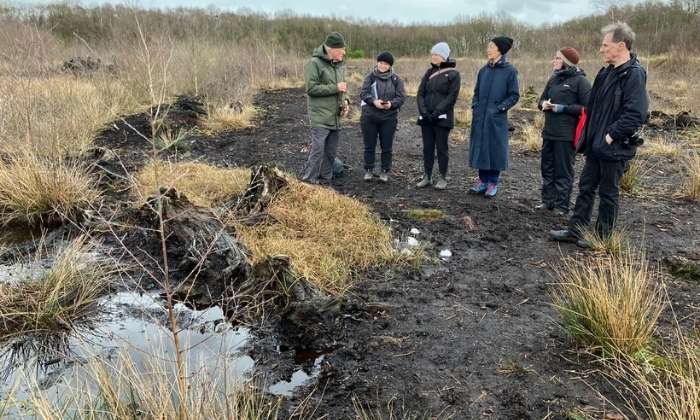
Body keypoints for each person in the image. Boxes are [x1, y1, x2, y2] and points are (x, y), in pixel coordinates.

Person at [550, 22, 648, 247]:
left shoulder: (633, 74)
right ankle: (576, 230)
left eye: (605, 45)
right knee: (586, 186)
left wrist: (610, 136)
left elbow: (636, 114)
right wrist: (589, 138)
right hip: (595, 144)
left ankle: (602, 238)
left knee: (608, 192)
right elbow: (592, 108)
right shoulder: (605, 73)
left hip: (614, 146)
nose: (601, 49)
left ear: (621, 46)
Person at [537, 47, 592, 215]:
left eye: (557, 58)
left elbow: (587, 107)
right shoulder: (553, 79)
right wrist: (543, 105)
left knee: (563, 170)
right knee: (547, 167)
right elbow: (540, 100)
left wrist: (562, 108)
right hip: (549, 132)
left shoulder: (581, 81)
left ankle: (562, 205)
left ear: (566, 63)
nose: (553, 61)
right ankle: (548, 201)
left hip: (566, 134)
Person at [468, 36, 520, 198]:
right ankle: (482, 181)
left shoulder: (510, 71)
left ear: (500, 50)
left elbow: (514, 95)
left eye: (491, 46)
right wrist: (475, 106)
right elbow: (476, 92)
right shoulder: (483, 71)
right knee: (481, 148)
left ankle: (492, 183)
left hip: (496, 118)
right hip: (480, 117)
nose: (488, 49)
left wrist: (500, 108)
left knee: (494, 149)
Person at [300, 32, 350, 185]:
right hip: (320, 117)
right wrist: (335, 88)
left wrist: (346, 102)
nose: (344, 52)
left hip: (335, 116)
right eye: (342, 49)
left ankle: (326, 179)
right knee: (317, 151)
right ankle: (309, 181)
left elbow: (343, 88)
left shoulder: (339, 65)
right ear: (333, 49)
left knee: (330, 152)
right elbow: (311, 89)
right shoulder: (314, 63)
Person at [416, 42, 460, 190]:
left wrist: (437, 112)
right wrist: (424, 111)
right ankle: (427, 176)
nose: (433, 57)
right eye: (432, 54)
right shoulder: (429, 73)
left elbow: (451, 97)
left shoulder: (454, 74)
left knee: (442, 148)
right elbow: (420, 93)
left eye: (436, 54)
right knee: (427, 148)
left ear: (444, 56)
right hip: (426, 118)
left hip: (442, 119)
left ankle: (443, 176)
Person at [360, 51, 406, 182]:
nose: (382, 65)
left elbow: (401, 97)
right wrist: (373, 101)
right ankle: (369, 169)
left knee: (387, 146)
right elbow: (363, 93)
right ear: (377, 63)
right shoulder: (370, 77)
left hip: (389, 118)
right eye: (380, 62)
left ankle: (384, 171)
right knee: (369, 145)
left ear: (390, 66)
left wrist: (391, 104)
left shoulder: (396, 79)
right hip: (370, 116)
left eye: (385, 63)